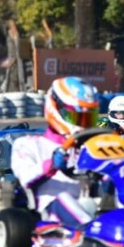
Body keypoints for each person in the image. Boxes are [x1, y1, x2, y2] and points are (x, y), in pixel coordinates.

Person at [10, 76, 100, 228]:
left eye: (87, 118)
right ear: (55, 109)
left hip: (91, 205)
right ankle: (92, 230)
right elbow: (25, 178)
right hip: (49, 213)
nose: (83, 124)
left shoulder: (91, 146)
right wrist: (51, 165)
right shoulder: (28, 144)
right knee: (64, 198)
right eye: (76, 117)